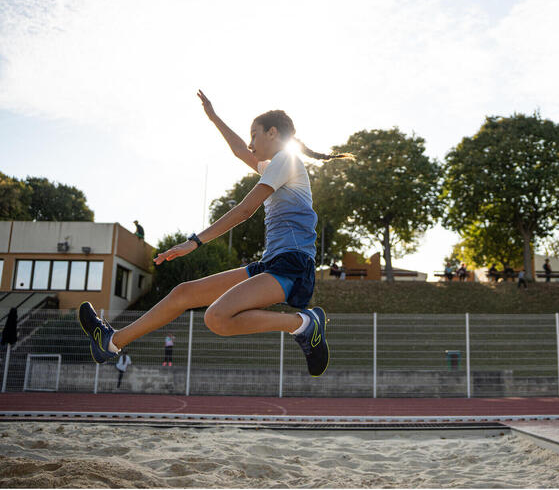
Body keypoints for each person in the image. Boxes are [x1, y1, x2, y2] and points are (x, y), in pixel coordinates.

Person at [76, 90, 353, 379]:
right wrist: (214, 117)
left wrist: (193, 242)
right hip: (273, 262)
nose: (250, 143)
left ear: (273, 133)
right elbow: (239, 151)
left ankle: (304, 324)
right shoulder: (276, 165)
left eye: (254, 135)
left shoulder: (286, 160)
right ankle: (109, 341)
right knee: (184, 293)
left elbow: (244, 211)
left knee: (216, 317)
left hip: (293, 264)